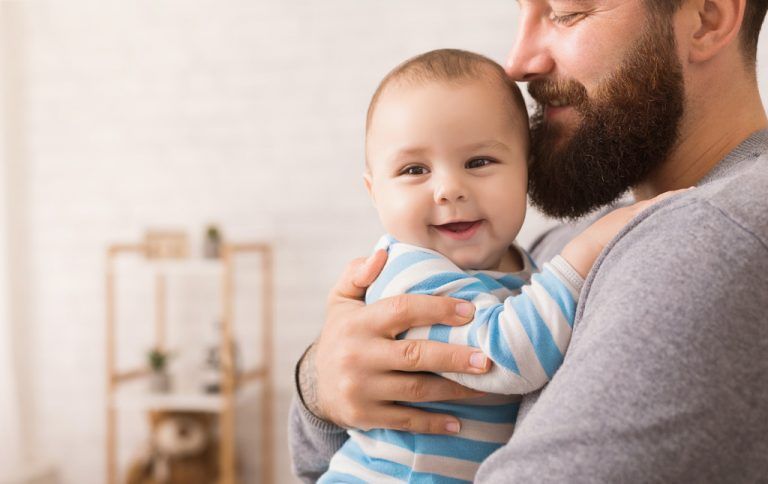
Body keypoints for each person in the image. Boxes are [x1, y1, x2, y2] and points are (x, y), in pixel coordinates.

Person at [290, 0, 768, 481]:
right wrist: (323, 380)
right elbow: (316, 461)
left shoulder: (710, 235)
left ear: (707, 17)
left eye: (566, 12)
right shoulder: (549, 246)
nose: (517, 64)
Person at [318, 48, 677, 483]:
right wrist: (585, 254)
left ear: (526, 171)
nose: (449, 189)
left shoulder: (516, 264)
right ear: (375, 192)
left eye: (479, 162)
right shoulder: (412, 272)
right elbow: (503, 357)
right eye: (415, 169)